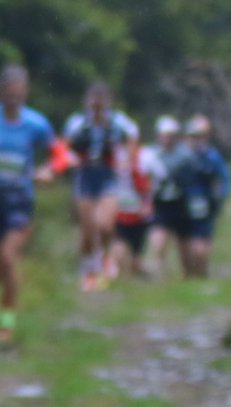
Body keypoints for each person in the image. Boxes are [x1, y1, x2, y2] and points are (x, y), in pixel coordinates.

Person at [0, 65, 59, 341]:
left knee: (8, 256)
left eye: (18, 95)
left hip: (20, 199)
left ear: (25, 93)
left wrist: (49, 170)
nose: (13, 100)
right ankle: (8, 292)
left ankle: (6, 323)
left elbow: (59, 153)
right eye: (8, 95)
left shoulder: (36, 123)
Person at [62, 82, 140, 290]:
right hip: (85, 175)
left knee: (104, 224)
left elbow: (133, 134)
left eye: (101, 99)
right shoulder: (77, 122)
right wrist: (70, 158)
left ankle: (105, 256)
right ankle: (87, 270)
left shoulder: (117, 121)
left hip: (108, 175)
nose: (97, 104)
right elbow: (64, 145)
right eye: (93, 99)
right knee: (88, 229)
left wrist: (127, 159)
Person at [154, 114, 231, 278]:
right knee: (185, 241)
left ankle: (201, 271)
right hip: (185, 203)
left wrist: (221, 195)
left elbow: (224, 177)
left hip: (205, 202)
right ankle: (189, 273)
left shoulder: (211, 156)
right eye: (192, 136)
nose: (195, 140)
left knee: (200, 242)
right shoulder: (182, 155)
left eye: (199, 136)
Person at [108, 121, 168, 280]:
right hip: (130, 209)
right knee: (125, 244)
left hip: (130, 209)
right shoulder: (143, 155)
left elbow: (160, 177)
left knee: (129, 246)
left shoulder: (120, 155)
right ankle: (123, 277)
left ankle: (126, 277)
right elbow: (161, 177)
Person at [145, 116, 186, 277]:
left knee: (181, 242)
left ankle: (183, 272)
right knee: (158, 239)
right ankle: (158, 268)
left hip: (180, 202)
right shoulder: (150, 154)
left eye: (171, 135)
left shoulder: (184, 155)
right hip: (159, 202)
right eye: (164, 135)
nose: (167, 139)